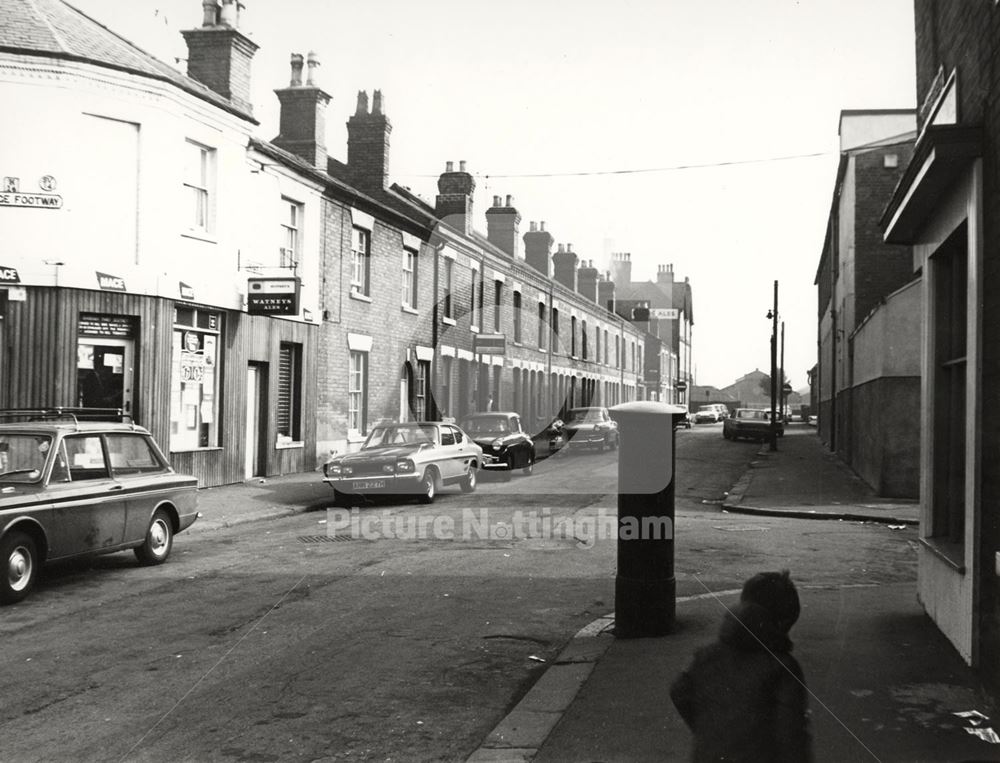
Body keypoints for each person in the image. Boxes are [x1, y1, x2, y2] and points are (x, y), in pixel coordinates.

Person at [670, 570, 813, 762]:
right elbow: (791, 733)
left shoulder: (706, 654)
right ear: (782, 623)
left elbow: (679, 691)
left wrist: (710, 729)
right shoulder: (783, 668)